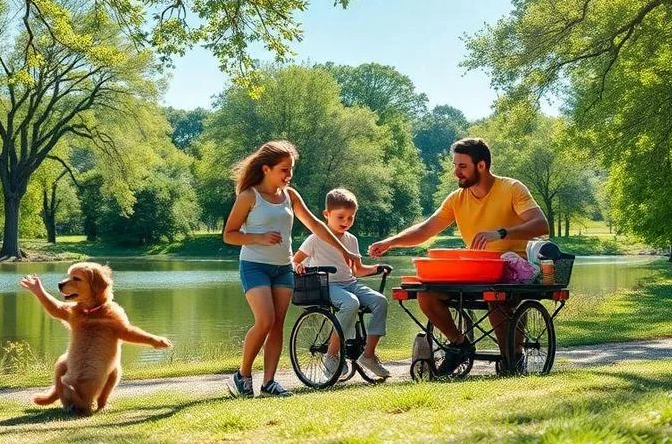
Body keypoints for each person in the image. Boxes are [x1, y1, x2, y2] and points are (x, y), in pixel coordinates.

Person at [369, 137, 550, 375]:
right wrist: (391, 242)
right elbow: (425, 229)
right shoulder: (456, 199)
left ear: (482, 166)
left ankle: (513, 358)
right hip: (476, 271)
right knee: (428, 296)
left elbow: (541, 225)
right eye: (455, 166)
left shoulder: (512, 188)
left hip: (513, 269)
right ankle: (459, 344)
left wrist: (501, 233)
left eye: (462, 166)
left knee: (496, 300)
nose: (456, 172)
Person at [223, 140, 361, 397]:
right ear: (266, 169)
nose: (289, 175)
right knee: (264, 320)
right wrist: (258, 237)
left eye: (291, 169)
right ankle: (242, 375)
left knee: (277, 325)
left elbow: (316, 225)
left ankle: (268, 383)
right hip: (254, 266)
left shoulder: (290, 195)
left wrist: (344, 250)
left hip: (283, 267)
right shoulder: (249, 196)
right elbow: (229, 235)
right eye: (284, 170)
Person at [293, 188, 391, 380]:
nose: (346, 222)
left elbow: (357, 270)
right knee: (351, 303)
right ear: (326, 214)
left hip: (350, 283)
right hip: (327, 286)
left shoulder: (351, 240)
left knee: (380, 301)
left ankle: (368, 355)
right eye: (341, 217)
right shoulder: (315, 238)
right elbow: (295, 260)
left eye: (350, 218)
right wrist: (298, 267)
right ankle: (332, 354)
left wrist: (377, 268)